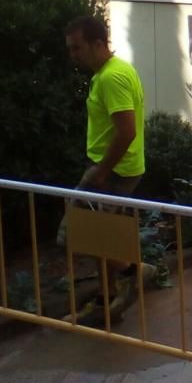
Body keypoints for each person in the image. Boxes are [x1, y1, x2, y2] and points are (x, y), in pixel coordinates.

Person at [63, 16, 149, 323]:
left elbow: (126, 131)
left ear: (99, 44)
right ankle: (109, 297)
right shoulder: (115, 70)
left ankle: (130, 275)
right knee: (100, 235)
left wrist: (102, 171)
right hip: (117, 168)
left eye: (78, 48)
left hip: (111, 171)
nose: (74, 55)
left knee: (77, 234)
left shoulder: (112, 77)